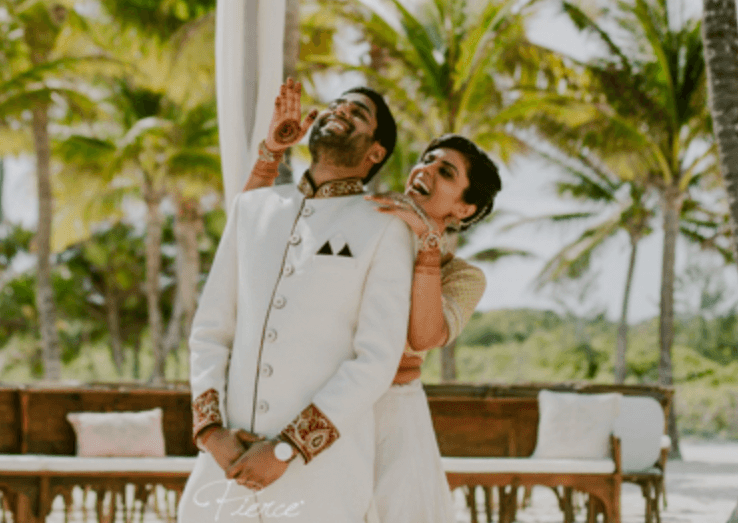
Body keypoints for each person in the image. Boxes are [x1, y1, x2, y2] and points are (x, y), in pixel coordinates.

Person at [242, 78, 501, 523]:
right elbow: (254, 238)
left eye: (446, 173)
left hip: (393, 416)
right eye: (427, 160)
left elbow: (424, 333)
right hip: (322, 403)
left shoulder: (464, 277)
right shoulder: (368, 218)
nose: (425, 171)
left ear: (463, 208)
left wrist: (426, 245)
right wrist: (271, 155)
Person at [181, 86, 415, 523]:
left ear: (376, 150)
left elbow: (376, 360)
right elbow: (210, 330)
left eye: (358, 111)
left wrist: (288, 448)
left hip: (322, 476)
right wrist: (211, 433)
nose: (340, 109)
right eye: (336, 104)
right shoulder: (252, 208)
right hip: (223, 465)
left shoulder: (386, 226)